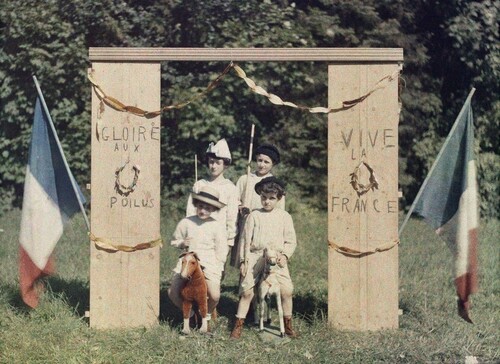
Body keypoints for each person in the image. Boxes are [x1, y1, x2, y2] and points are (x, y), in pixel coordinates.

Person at [230, 176, 297, 339]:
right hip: (255, 256)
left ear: (279, 198)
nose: (267, 202)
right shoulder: (254, 216)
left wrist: (285, 256)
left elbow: (291, 240)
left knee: (287, 291)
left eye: (271, 198)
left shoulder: (284, 216)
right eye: (264, 198)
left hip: (276, 257)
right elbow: (246, 241)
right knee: (247, 292)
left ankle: (288, 325)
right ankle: (238, 325)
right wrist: (244, 261)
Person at [169, 185, 228, 329]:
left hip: (209, 262)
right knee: (172, 292)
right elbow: (174, 241)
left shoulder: (217, 226)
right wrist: (182, 243)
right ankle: (190, 315)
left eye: (207, 208)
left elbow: (222, 251)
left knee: (214, 295)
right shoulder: (187, 222)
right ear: (195, 205)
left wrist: (218, 268)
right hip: (189, 261)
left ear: (214, 209)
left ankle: (205, 314)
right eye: (200, 206)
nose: (203, 211)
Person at [230, 143, 285, 266]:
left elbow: (280, 209)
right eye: (260, 160)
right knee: (246, 249)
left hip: (266, 223)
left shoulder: (275, 184)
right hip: (246, 221)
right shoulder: (245, 179)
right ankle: (243, 279)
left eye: (266, 162)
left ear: (273, 164)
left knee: (262, 249)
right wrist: (240, 207)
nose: (262, 164)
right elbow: (234, 199)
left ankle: (263, 279)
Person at [186, 139, 239, 250]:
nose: (213, 166)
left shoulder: (230, 188)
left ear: (225, 165)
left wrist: (229, 242)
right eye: (211, 162)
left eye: (218, 163)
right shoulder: (199, 185)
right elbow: (190, 212)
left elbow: (232, 218)